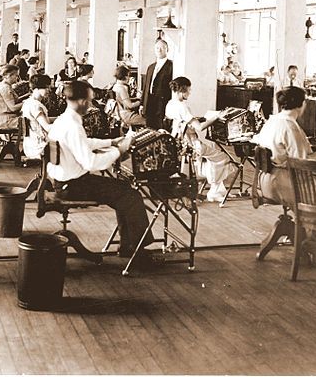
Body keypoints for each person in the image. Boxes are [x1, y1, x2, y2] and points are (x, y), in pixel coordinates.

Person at [47, 81, 152, 260]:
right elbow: (90, 163)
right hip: (73, 186)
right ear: (82, 101)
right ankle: (137, 251)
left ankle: (129, 245)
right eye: (89, 100)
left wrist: (111, 142)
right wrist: (120, 150)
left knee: (124, 190)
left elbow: (83, 143)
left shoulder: (63, 120)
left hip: (64, 182)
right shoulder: (73, 126)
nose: (90, 104)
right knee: (131, 195)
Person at [252, 87, 316, 207]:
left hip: (264, 181)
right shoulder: (290, 126)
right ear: (301, 104)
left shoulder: (272, 120)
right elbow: (301, 162)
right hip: (284, 183)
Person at [165, 77, 232, 202]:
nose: (190, 93)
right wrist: (216, 117)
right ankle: (215, 191)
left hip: (177, 142)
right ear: (182, 90)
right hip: (191, 145)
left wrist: (199, 119)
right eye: (189, 90)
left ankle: (214, 186)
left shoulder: (170, 104)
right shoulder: (182, 107)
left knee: (212, 156)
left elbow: (183, 122)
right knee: (223, 158)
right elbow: (200, 127)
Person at [141, 39, 173, 129]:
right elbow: (146, 87)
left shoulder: (172, 66)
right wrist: (142, 104)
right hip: (149, 104)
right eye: (157, 48)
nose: (159, 50)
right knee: (149, 130)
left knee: (161, 130)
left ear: (167, 49)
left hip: (162, 105)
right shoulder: (151, 67)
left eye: (162, 48)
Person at [21, 74, 52, 159]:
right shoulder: (36, 106)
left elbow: (40, 121)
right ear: (36, 88)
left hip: (30, 145)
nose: (49, 90)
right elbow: (47, 127)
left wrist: (61, 118)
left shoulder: (28, 102)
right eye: (46, 88)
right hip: (40, 148)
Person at [0, 64, 24, 130]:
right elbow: (13, 108)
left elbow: (14, 100)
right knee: (33, 120)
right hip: (6, 121)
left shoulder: (2, 84)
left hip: (5, 118)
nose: (18, 78)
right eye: (16, 75)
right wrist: (26, 103)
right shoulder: (5, 88)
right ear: (8, 75)